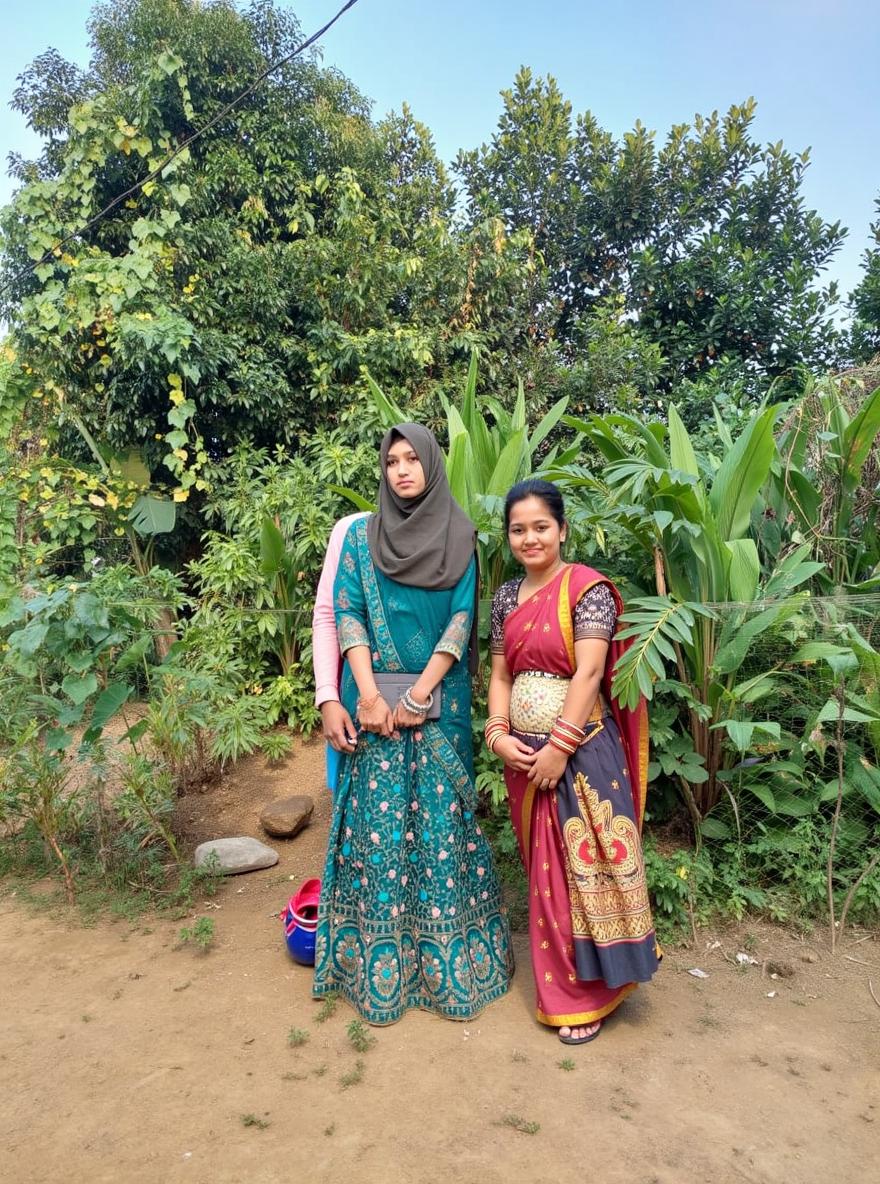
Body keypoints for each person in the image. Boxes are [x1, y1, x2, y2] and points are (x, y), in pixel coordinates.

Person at [313, 423, 514, 1025]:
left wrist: (421, 695)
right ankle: (373, 967)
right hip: (372, 710)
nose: (401, 470)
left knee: (438, 830)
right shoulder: (360, 538)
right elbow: (344, 610)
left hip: (438, 708)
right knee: (376, 832)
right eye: (391, 461)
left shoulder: (460, 538)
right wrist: (368, 697)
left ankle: (452, 972)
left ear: (431, 465)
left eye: (411, 460)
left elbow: (460, 620)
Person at [486, 478, 659, 1045]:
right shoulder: (508, 598)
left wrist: (560, 747)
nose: (530, 538)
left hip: (581, 751)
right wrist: (496, 733)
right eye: (518, 529)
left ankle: (590, 993)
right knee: (545, 878)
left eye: (541, 527)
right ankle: (562, 988)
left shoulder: (587, 590)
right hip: (522, 754)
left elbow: (588, 673)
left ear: (562, 529)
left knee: (587, 874)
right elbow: (501, 674)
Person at [312, 511, 367, 790]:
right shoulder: (351, 531)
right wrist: (327, 698)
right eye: (392, 463)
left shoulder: (438, 532)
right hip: (351, 699)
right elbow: (326, 614)